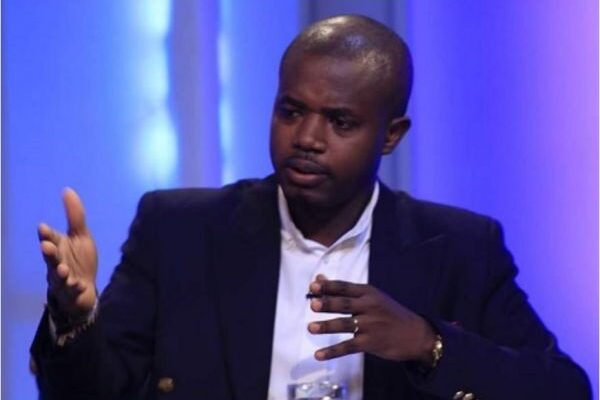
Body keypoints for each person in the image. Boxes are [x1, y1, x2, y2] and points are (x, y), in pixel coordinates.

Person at [31, 14, 591, 400]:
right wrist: (75, 319)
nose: (307, 138)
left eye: (340, 122)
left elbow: (564, 389)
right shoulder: (179, 230)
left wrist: (429, 344)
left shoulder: (460, 249)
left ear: (391, 135)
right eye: (291, 111)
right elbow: (96, 392)